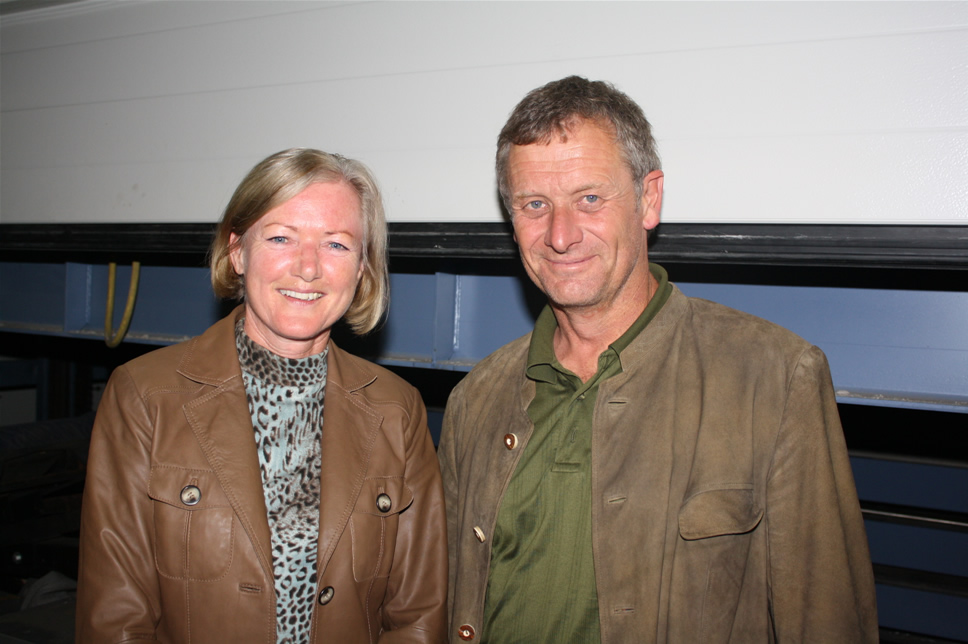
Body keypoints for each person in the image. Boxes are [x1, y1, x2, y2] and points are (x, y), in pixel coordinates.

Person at [437, 77, 878, 643]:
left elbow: (830, 621)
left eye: (589, 199)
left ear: (648, 199)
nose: (560, 235)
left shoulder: (773, 378)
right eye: (534, 205)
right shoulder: (476, 400)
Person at [77, 148, 448, 643]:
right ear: (237, 251)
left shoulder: (397, 410)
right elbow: (114, 618)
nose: (308, 268)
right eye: (280, 237)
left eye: (336, 244)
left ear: (363, 267)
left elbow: (418, 616)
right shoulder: (145, 396)